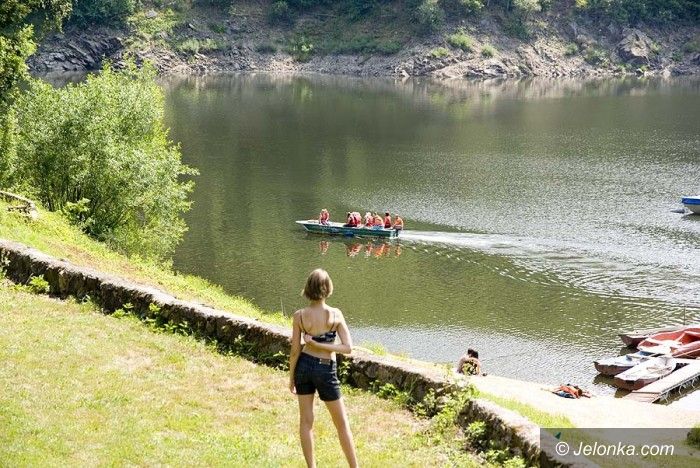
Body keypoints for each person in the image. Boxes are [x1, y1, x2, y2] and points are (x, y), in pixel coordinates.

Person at [289, 269, 358, 468]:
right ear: (327, 288)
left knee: (306, 422)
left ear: (308, 288)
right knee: (342, 424)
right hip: (326, 369)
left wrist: (291, 376)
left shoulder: (299, 316)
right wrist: (324, 345)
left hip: (303, 366)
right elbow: (348, 348)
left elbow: (295, 351)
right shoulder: (335, 314)